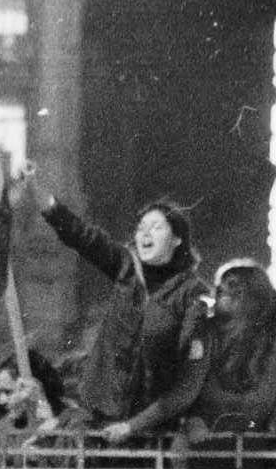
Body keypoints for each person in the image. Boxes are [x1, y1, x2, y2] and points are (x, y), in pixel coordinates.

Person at [13, 166, 212, 425]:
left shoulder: (192, 292)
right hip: (100, 412)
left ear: (177, 240)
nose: (145, 234)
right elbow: (80, 234)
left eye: (156, 227)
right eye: (141, 227)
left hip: (151, 423)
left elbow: (189, 373)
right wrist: (36, 188)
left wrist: (138, 423)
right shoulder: (127, 267)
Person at [102, 259, 276, 443]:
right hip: (207, 441)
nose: (218, 291)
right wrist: (131, 426)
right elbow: (185, 392)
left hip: (258, 441)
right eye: (220, 286)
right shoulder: (206, 332)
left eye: (230, 287)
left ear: (251, 298)